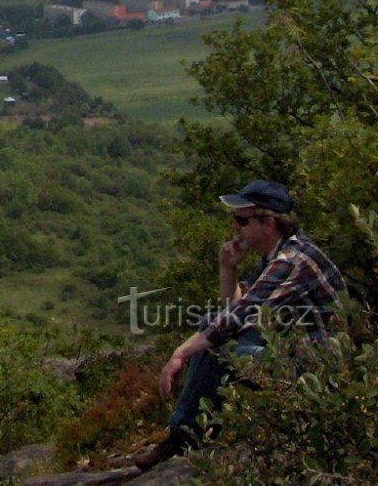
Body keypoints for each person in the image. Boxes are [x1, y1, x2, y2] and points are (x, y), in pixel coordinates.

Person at [137, 179, 344, 465]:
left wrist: (180, 353)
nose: (235, 227)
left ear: (268, 223)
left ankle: (186, 436)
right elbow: (231, 309)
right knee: (212, 328)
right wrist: (227, 267)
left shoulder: (291, 261)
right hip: (298, 354)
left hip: (316, 371)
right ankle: (189, 433)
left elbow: (236, 318)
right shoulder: (281, 253)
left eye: (242, 220)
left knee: (215, 348)